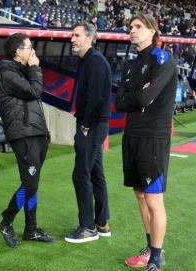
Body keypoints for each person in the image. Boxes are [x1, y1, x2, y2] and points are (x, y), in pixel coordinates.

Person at [114, 13, 177, 271]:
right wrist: (136, 97)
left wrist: (136, 97)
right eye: (130, 27)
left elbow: (144, 98)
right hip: (132, 135)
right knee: (139, 194)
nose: (132, 31)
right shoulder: (130, 65)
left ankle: (156, 263)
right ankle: (152, 248)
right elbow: (120, 103)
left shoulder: (162, 59)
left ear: (153, 32)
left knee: (153, 199)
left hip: (153, 136)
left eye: (138, 27)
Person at [0, 33, 55, 248]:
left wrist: (44, 132)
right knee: (29, 184)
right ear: (19, 51)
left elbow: (32, 102)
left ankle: (31, 229)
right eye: (30, 48)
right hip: (23, 135)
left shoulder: (21, 71)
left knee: (33, 184)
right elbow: (35, 91)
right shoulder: (7, 74)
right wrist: (35, 68)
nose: (33, 52)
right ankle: (6, 222)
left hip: (36, 134)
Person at [64, 21, 112, 244]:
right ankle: (102, 223)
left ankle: (87, 228)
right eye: (72, 35)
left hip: (90, 126)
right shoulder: (89, 61)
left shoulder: (94, 62)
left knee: (80, 174)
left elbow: (96, 98)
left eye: (76, 35)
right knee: (95, 173)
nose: (72, 39)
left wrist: (85, 125)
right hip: (94, 125)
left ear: (89, 39)